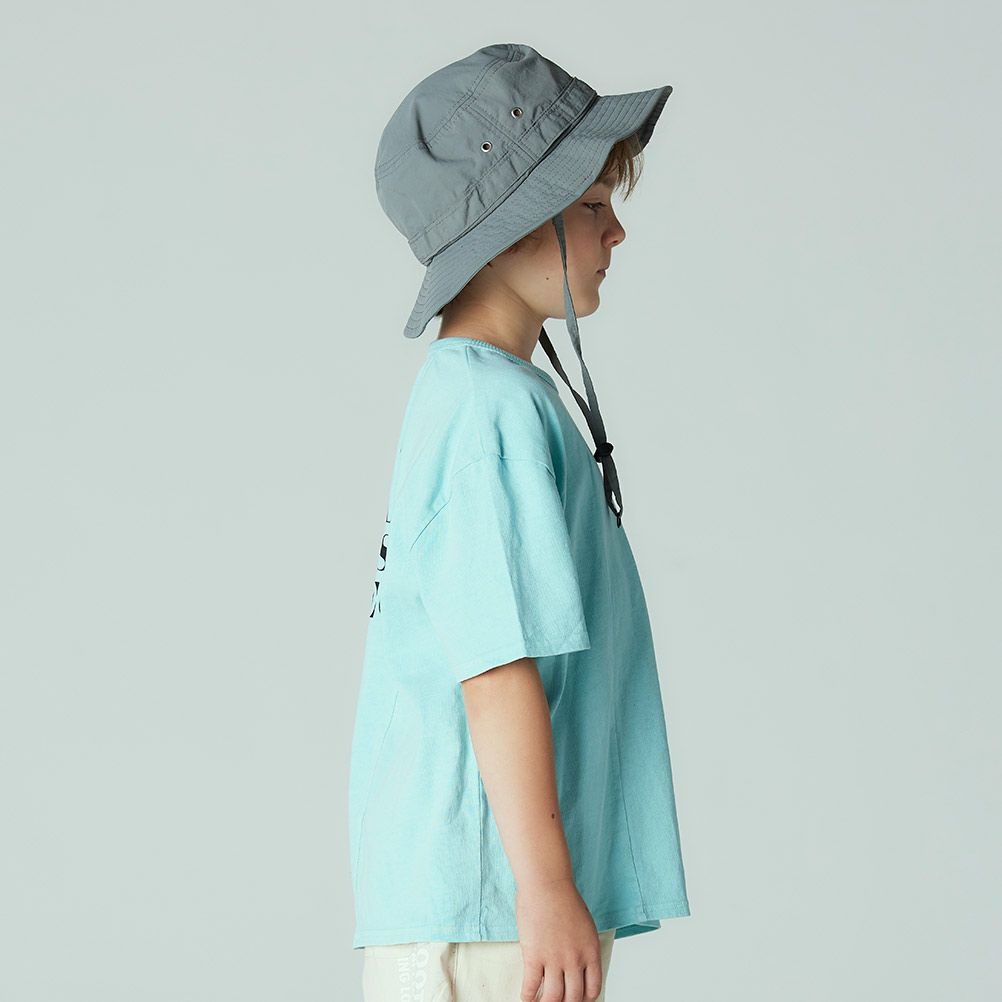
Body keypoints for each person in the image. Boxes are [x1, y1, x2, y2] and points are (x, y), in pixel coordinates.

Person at [348, 43, 690, 1001]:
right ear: (507, 232)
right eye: (592, 205)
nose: (616, 231)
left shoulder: (496, 397)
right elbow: (494, 665)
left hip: (496, 906)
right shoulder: (484, 410)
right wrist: (544, 889)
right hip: (493, 910)